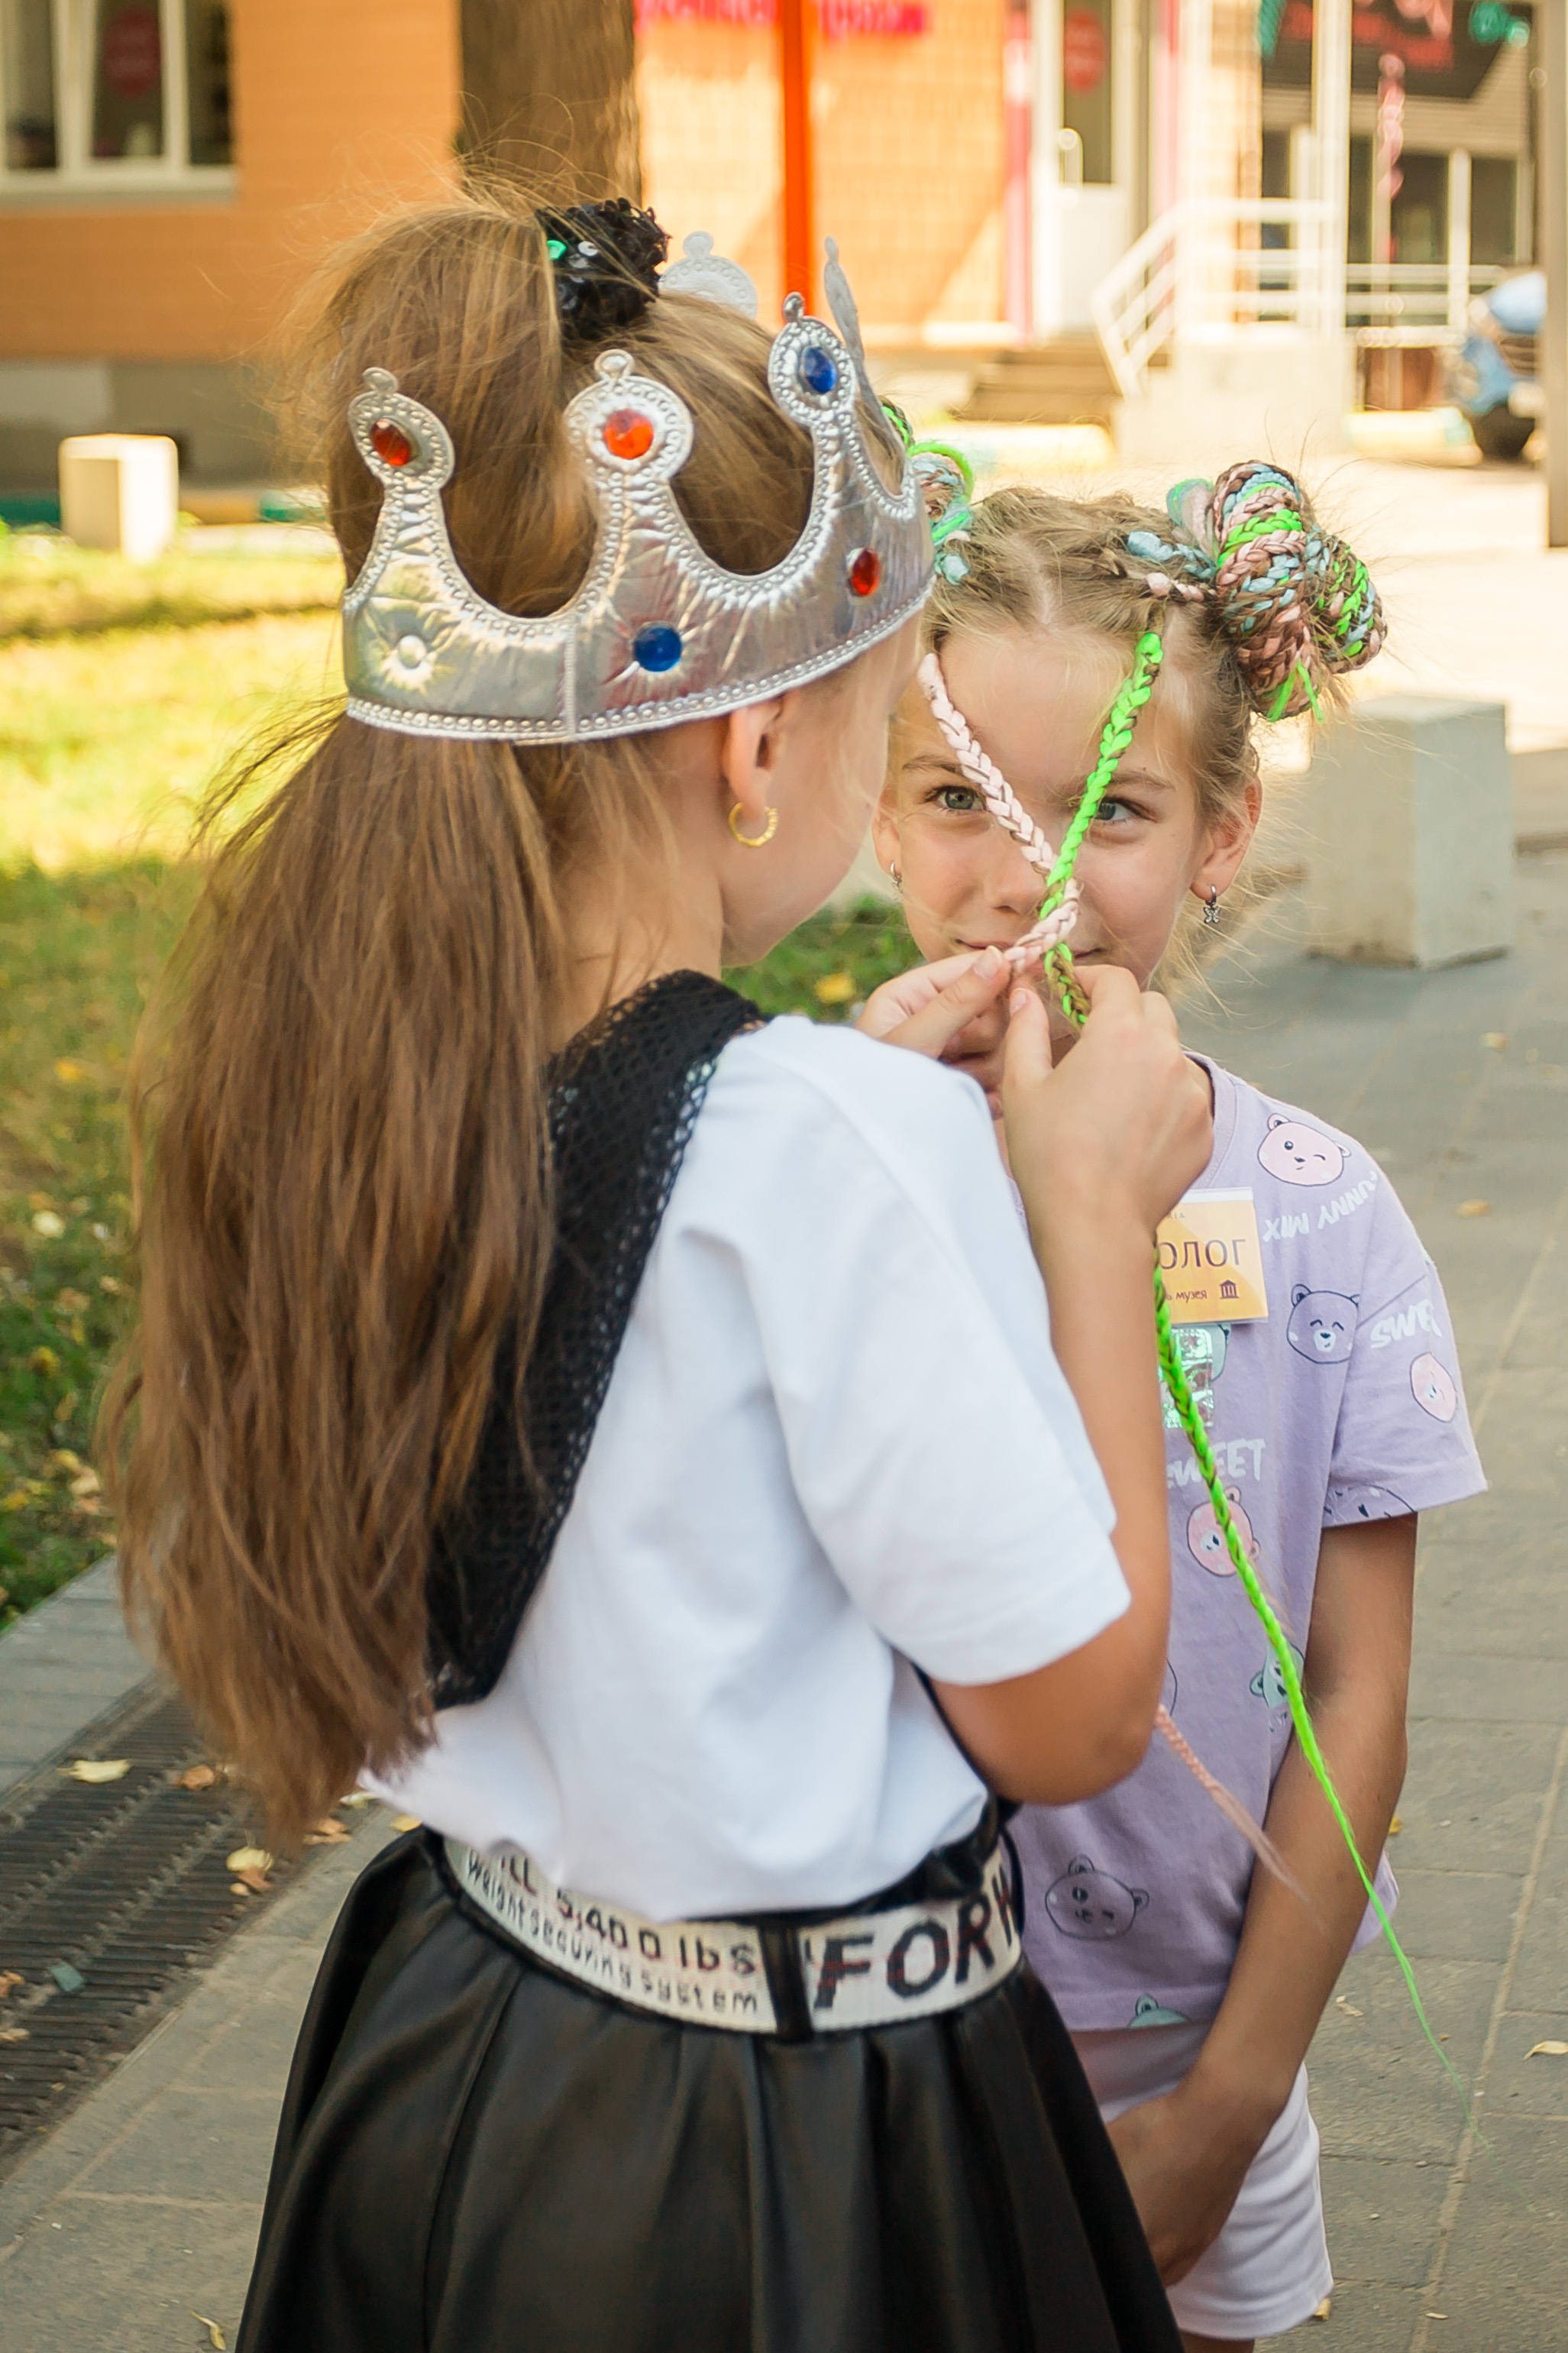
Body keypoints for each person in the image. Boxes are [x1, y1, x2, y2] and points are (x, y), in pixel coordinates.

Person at [105, 195, 1215, 2351]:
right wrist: (1081, 1219)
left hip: (464, 2056)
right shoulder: (830, 1145)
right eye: (901, 714)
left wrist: (848, 1135)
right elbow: (1073, 1714)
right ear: (752, 749)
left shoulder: (365, 1058)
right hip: (793, 2166)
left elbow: (654, 1251)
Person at [871, 469, 1486, 2353]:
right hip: (884, 2055)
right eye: (961, 794)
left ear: (1222, 840)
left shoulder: (1325, 1216)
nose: (1028, 875)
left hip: (1203, 2055)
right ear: (874, 813)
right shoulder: (829, 1175)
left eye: (1110, 810)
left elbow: (1357, 1689)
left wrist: (1231, 2105)